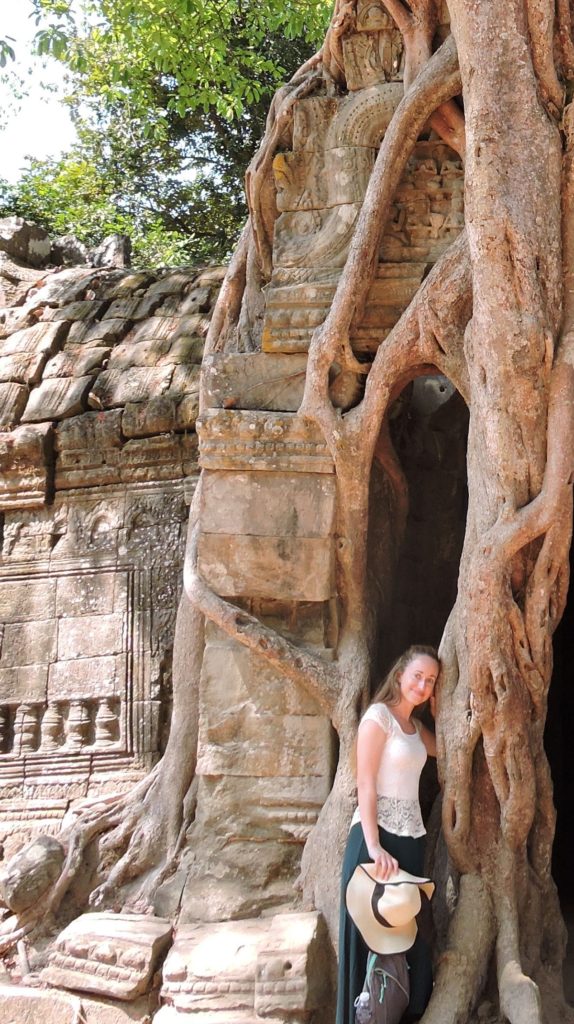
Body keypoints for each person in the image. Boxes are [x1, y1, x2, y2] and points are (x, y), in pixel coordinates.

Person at [336, 645, 439, 1024]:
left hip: (410, 840)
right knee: (372, 937)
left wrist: (444, 702)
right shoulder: (379, 718)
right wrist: (375, 844)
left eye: (431, 681)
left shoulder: (415, 729)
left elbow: (446, 748)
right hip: (373, 840)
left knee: (409, 933)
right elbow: (365, 782)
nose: (423, 685)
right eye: (418, 676)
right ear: (399, 675)